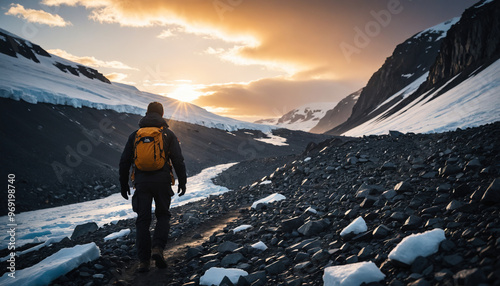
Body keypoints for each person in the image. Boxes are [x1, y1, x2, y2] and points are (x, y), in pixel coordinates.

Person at [119, 102, 187, 273]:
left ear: (147, 113)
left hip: (141, 182)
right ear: (162, 114)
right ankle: (158, 249)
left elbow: (125, 161)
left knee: (142, 220)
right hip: (162, 181)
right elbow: (178, 160)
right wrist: (183, 181)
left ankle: (143, 261)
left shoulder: (135, 135)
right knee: (163, 215)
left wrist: (123, 183)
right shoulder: (167, 134)